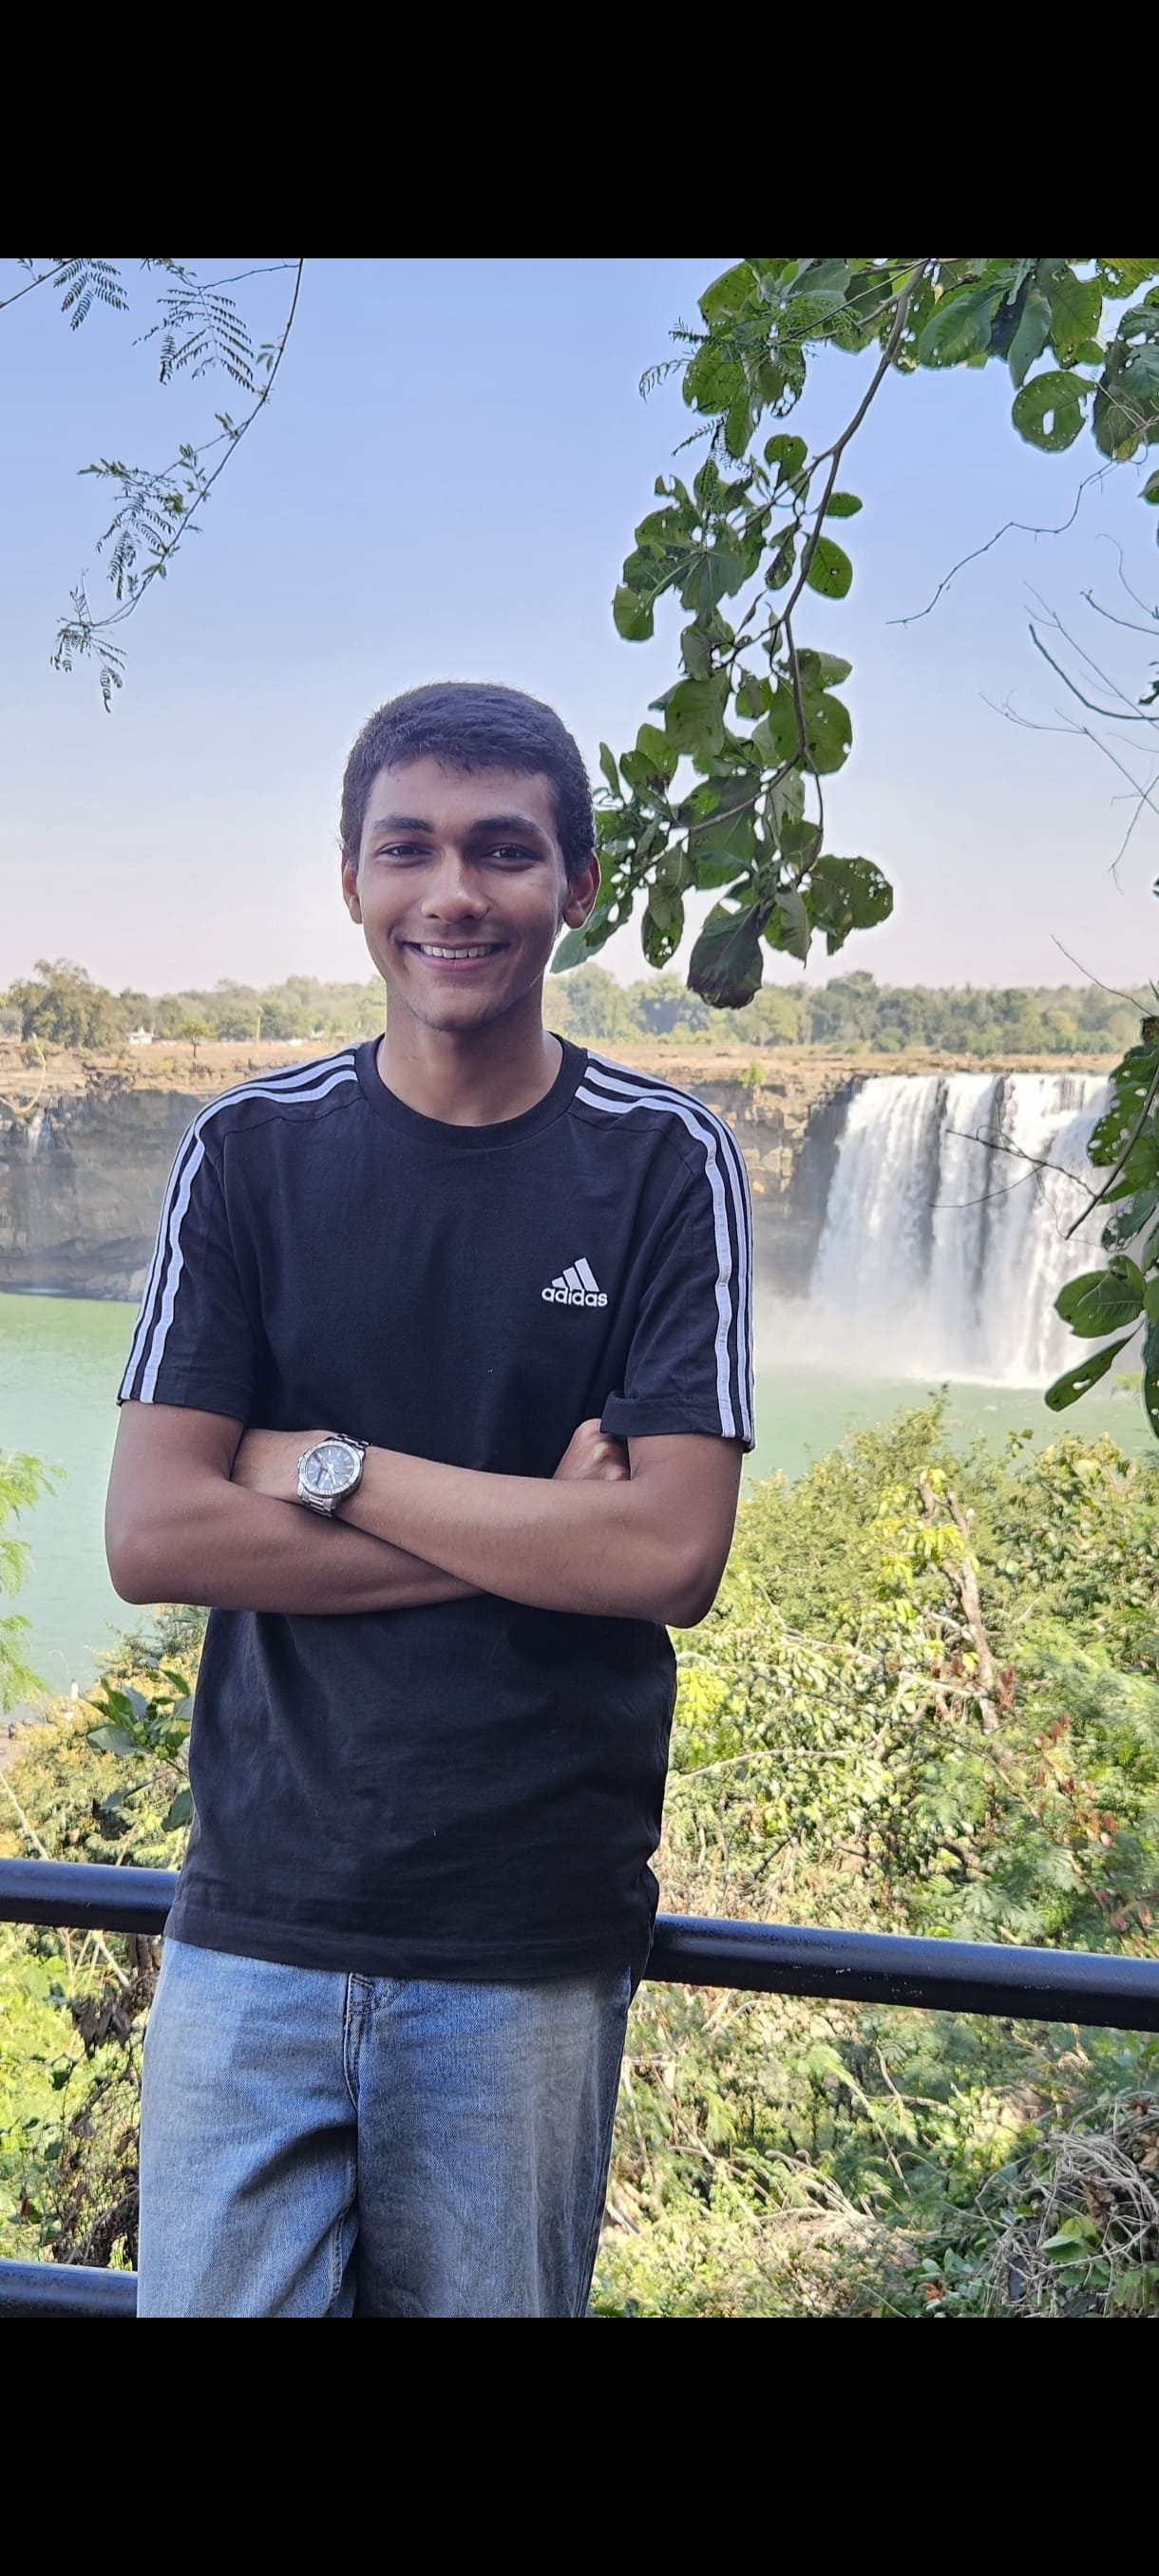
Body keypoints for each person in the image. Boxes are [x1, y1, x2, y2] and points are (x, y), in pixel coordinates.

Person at [106, 680, 752, 2318]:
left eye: (502, 850)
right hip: (253, 1918)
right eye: (408, 849)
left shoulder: (666, 1163)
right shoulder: (246, 1153)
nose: (451, 892)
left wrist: (330, 1469)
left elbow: (670, 1555)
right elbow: (155, 1534)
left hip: (526, 1936)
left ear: (575, 886)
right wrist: (544, 1535)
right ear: (351, 881)